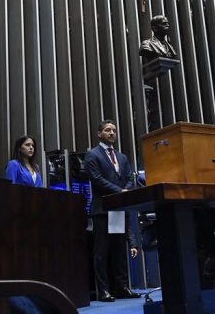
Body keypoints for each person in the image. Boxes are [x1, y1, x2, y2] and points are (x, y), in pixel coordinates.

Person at [84, 120, 140, 302]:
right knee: (101, 252)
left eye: (114, 130)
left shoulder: (122, 157)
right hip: (102, 209)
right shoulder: (92, 154)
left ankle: (122, 287)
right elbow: (97, 179)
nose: (112, 133)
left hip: (118, 208)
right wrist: (119, 191)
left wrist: (126, 190)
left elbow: (130, 178)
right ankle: (103, 291)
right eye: (108, 130)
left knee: (119, 250)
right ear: (99, 133)